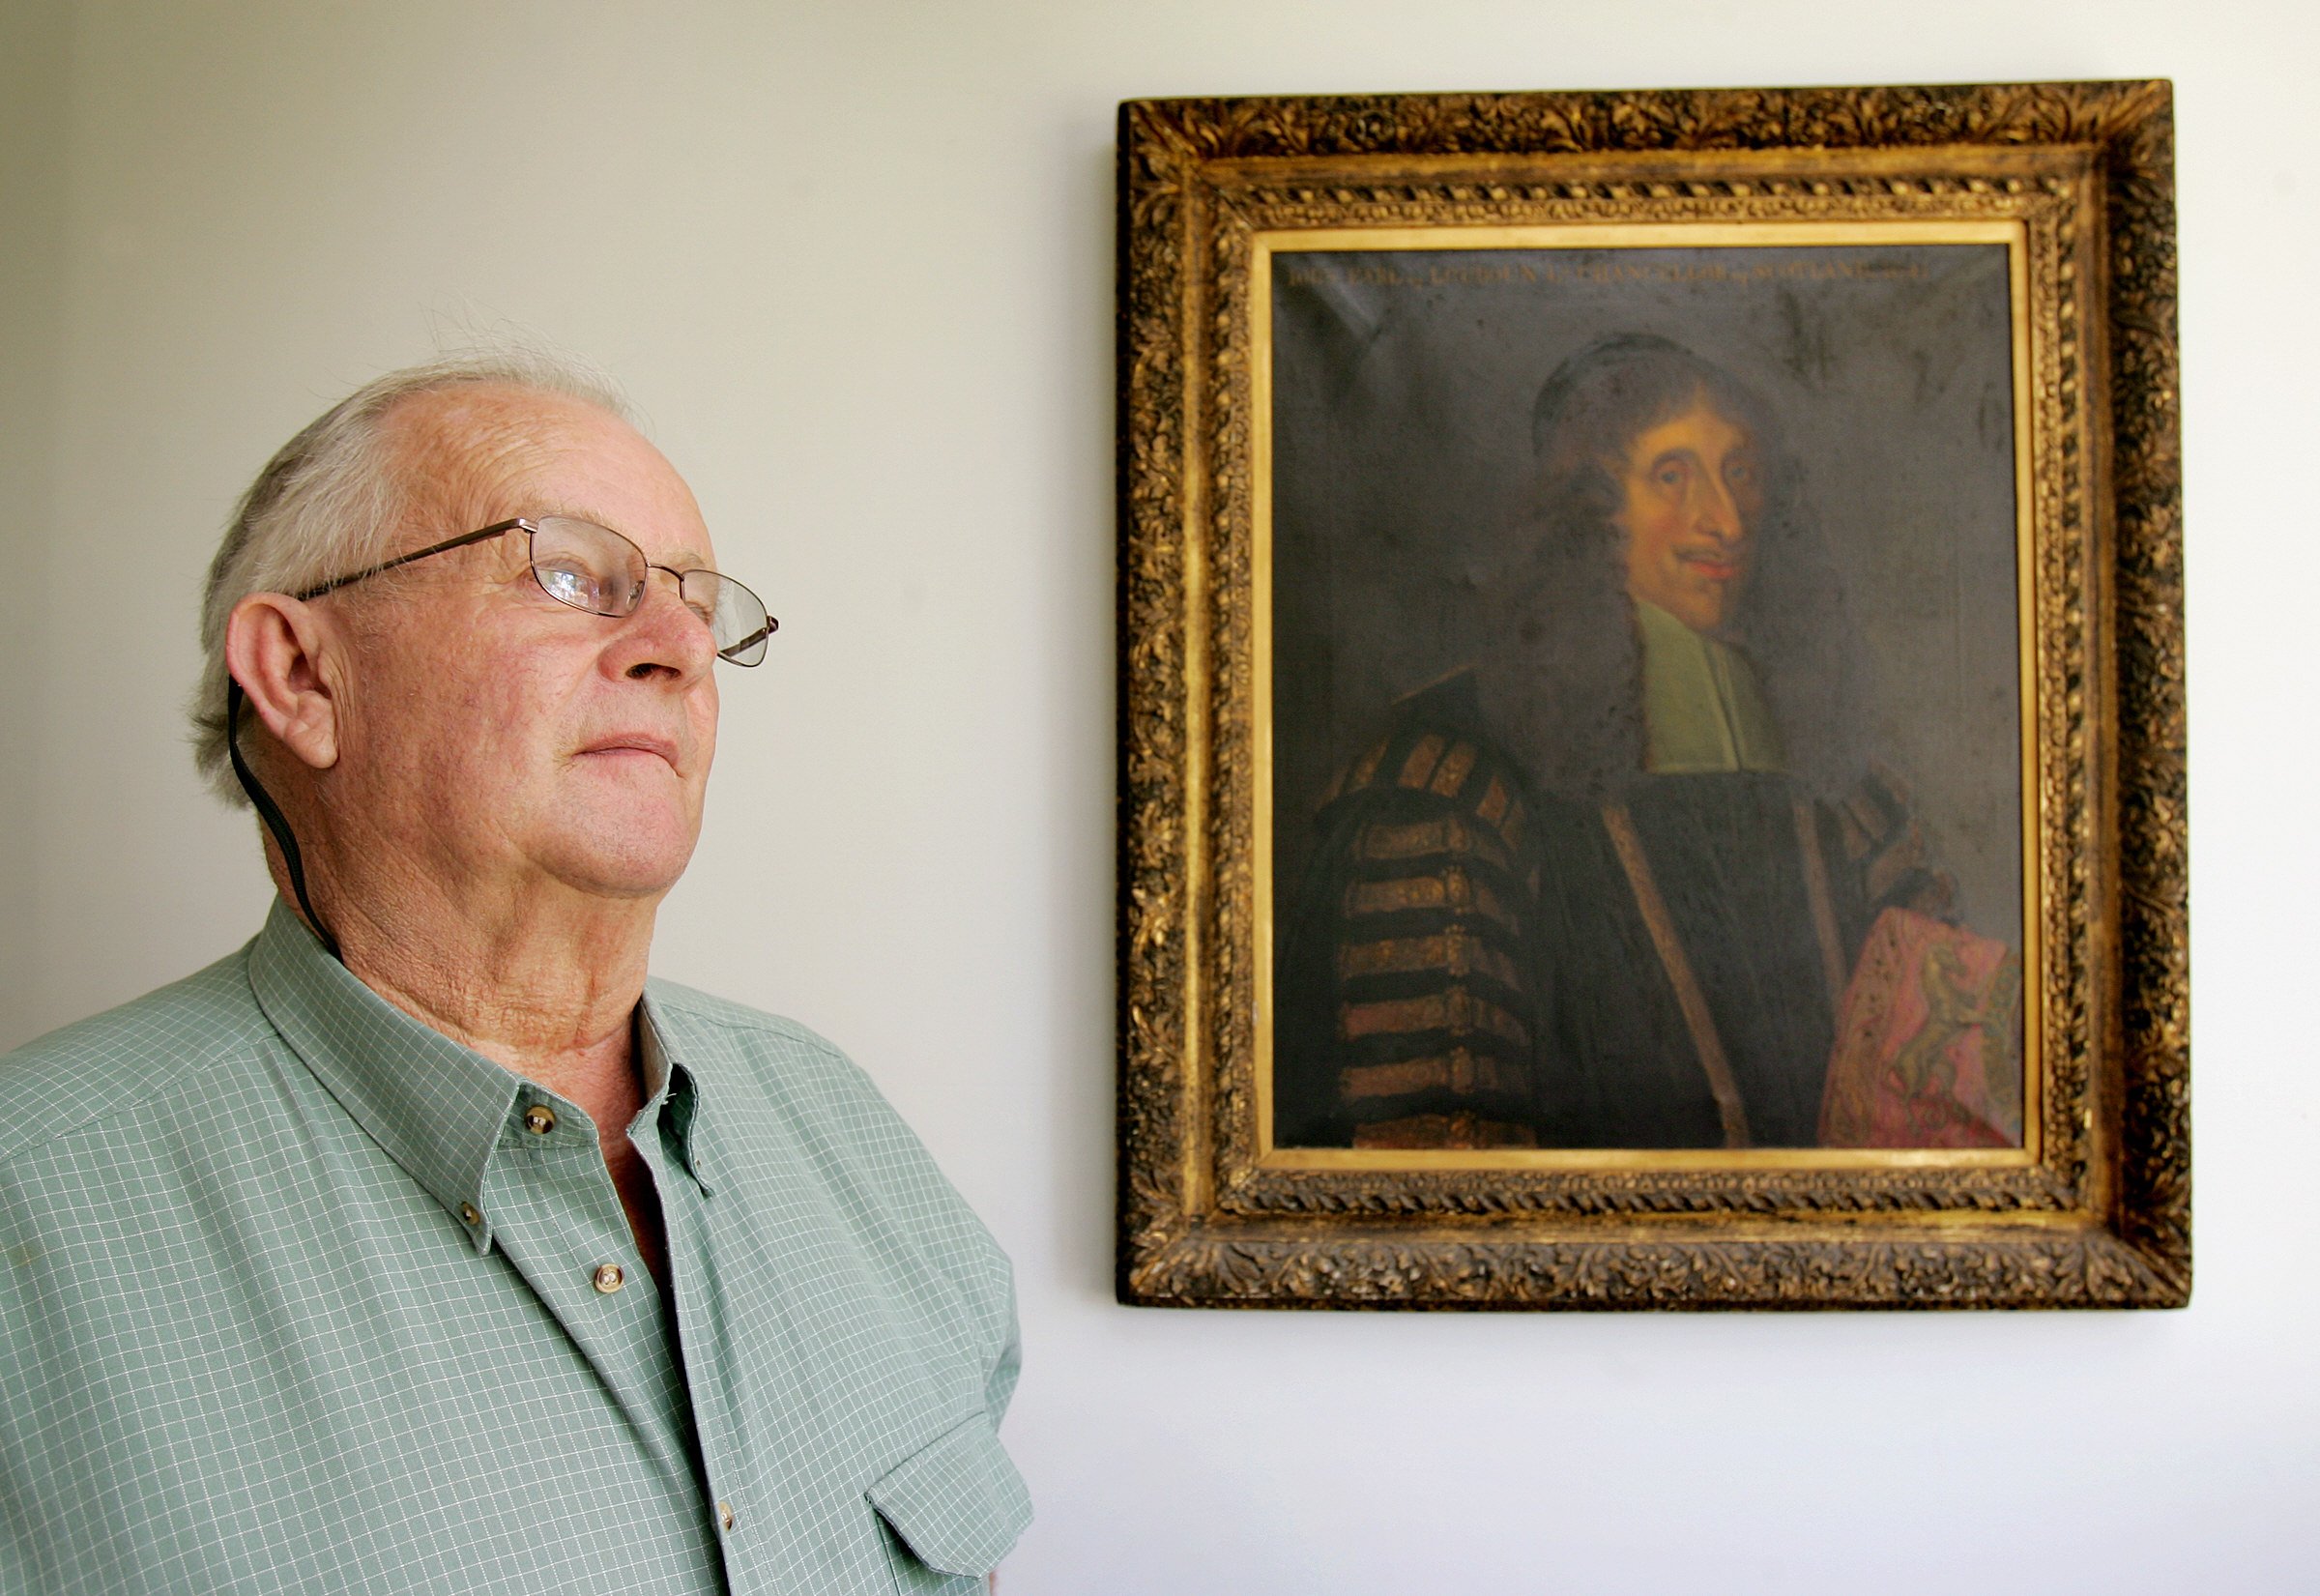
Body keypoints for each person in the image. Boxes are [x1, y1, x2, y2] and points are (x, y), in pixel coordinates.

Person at [0, 353, 1030, 1594]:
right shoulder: (30, 1216)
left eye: (700, 605)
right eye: (568, 572)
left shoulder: (845, 1129)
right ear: (300, 676)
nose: (678, 650)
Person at [1275, 334, 1949, 1151]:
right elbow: (1437, 1176)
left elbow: (1940, 1116)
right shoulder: (1441, 787)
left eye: (1741, 471)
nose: (1726, 520)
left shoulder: (1851, 792)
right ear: (1587, 511)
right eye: (1673, 476)